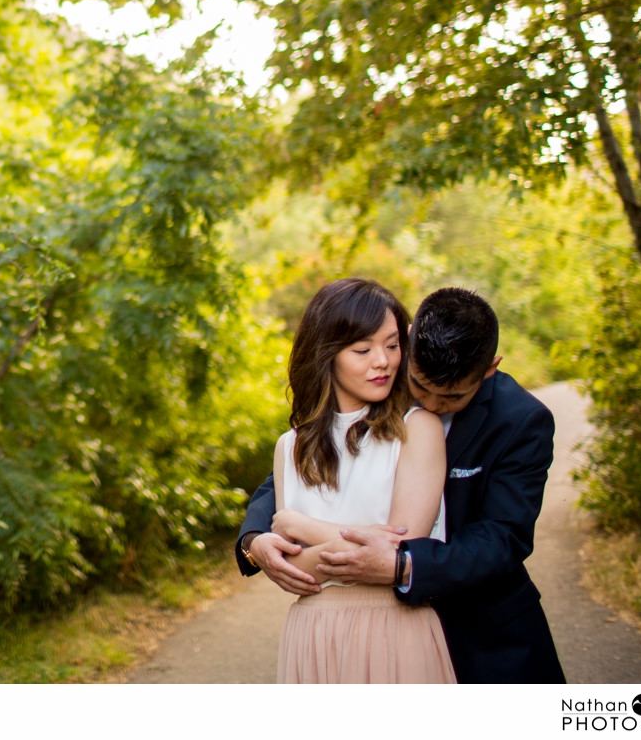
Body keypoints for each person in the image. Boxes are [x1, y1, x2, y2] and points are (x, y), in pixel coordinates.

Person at [236, 286, 566, 683]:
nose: (431, 403)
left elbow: (501, 538)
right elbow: (306, 469)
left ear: (489, 368)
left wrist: (399, 562)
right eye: (420, 386)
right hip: (342, 633)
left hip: (477, 624)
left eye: (451, 397)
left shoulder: (519, 421)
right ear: (409, 342)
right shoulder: (384, 374)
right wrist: (254, 538)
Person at [267, 277, 455, 683]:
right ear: (327, 355)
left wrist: (301, 527)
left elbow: (400, 550)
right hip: (313, 635)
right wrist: (359, 548)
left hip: (396, 629)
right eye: (363, 349)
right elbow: (293, 571)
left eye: (392, 345)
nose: (383, 361)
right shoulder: (290, 447)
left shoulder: (417, 428)